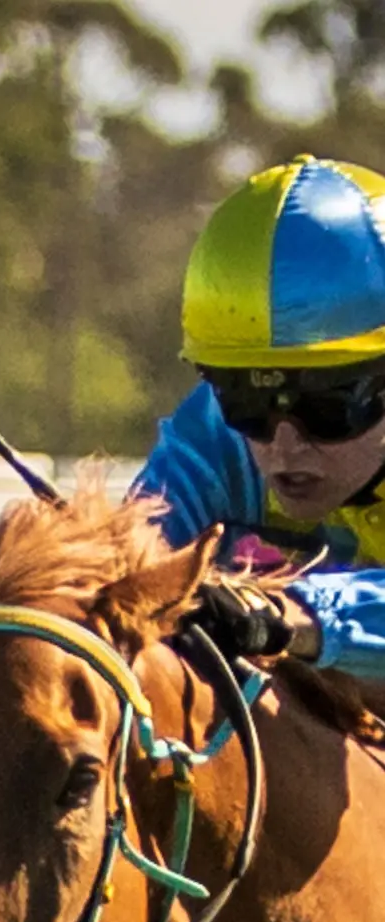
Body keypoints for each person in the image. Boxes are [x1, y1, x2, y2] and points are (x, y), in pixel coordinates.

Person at [133, 155, 385, 671]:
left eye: (328, 404)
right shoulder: (212, 431)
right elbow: (130, 564)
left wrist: (286, 614)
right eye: (247, 399)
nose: (282, 446)